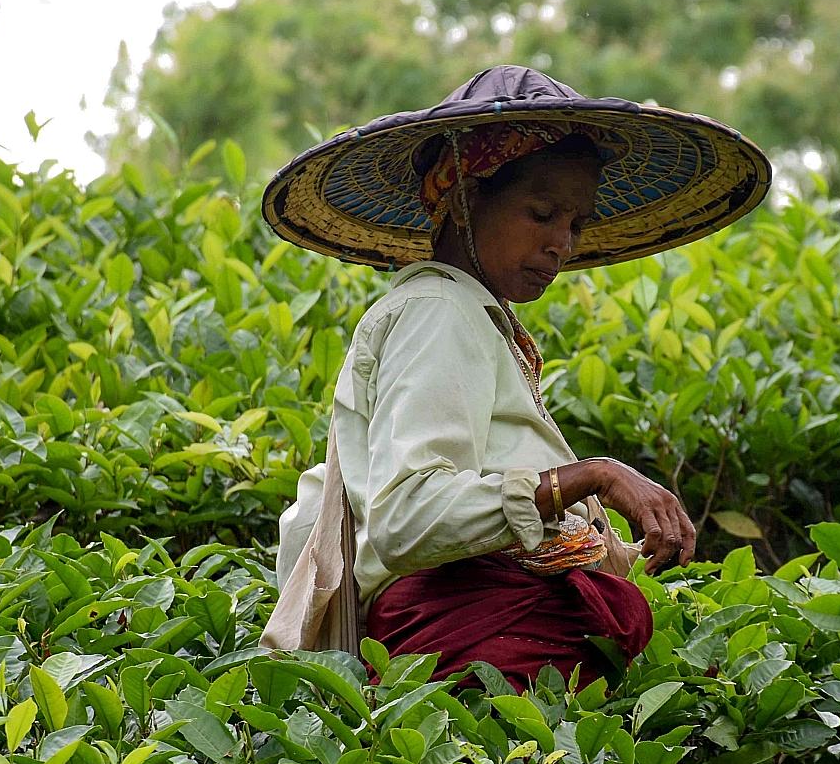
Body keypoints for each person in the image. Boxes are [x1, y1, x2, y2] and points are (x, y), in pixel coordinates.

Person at [264, 65, 770, 688]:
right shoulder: (439, 311)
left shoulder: (473, 320)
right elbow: (408, 517)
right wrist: (595, 476)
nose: (561, 243)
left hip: (488, 641)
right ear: (466, 198)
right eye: (541, 212)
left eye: (576, 223)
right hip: (463, 640)